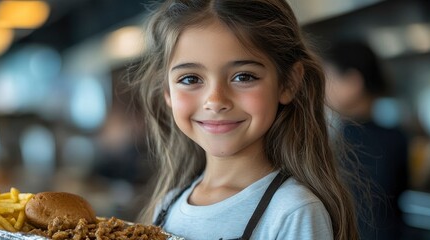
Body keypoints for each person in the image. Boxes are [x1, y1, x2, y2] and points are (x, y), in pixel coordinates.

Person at [129, 0, 359, 239]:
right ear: (167, 91)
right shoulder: (169, 204)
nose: (216, 101)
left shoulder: (293, 211)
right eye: (190, 79)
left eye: (243, 76)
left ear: (288, 82)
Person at [323, 40, 410, 240]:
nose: (324, 89)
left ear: (353, 82)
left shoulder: (350, 138)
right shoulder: (396, 136)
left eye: (329, 78)